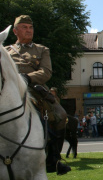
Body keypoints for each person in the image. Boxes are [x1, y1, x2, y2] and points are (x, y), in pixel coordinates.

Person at [6, 15, 71, 175]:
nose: (29, 30)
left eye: (30, 27)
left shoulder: (42, 49)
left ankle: (54, 159)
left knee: (61, 116)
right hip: (10, 89)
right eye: (24, 27)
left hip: (34, 89)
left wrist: (27, 78)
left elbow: (46, 72)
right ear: (15, 31)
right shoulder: (6, 51)